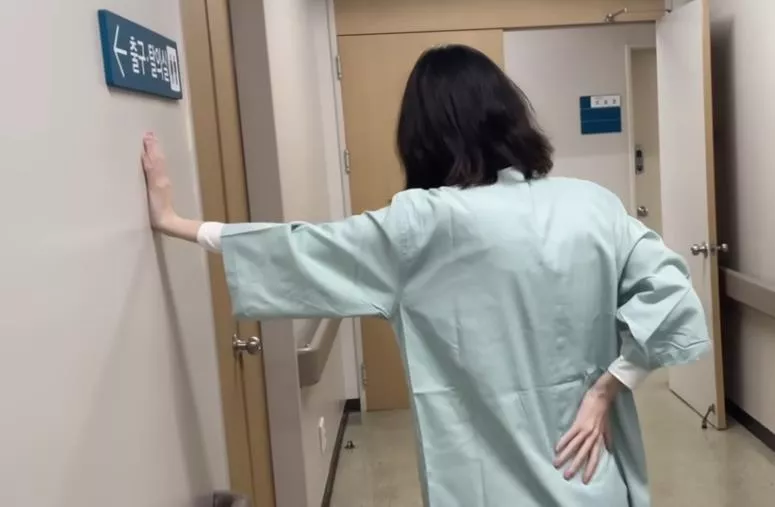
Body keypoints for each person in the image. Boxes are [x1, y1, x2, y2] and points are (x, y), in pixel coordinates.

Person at [142, 45, 709, 507]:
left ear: (424, 134)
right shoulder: (592, 205)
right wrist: (608, 388)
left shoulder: (422, 224)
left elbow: (301, 249)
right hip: (588, 470)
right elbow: (673, 294)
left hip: (487, 488)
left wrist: (177, 222)